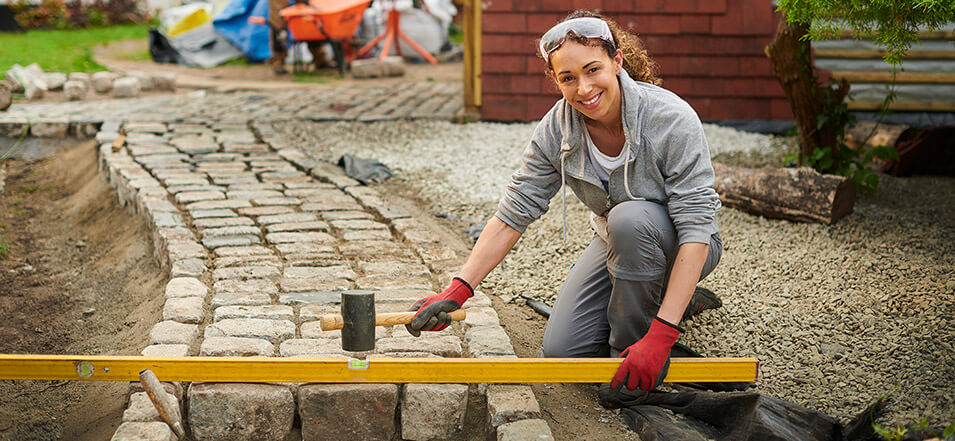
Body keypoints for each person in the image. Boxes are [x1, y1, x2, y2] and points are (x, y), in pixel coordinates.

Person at [406, 10, 723, 400]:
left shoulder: (670, 119)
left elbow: (696, 227)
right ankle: (665, 298)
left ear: (617, 61)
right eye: (568, 78)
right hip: (619, 242)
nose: (584, 88)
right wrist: (458, 289)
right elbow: (514, 211)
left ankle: (629, 356)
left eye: (593, 70)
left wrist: (661, 335)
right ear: (555, 80)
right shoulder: (557, 129)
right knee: (563, 353)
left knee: (629, 219)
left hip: (684, 244)